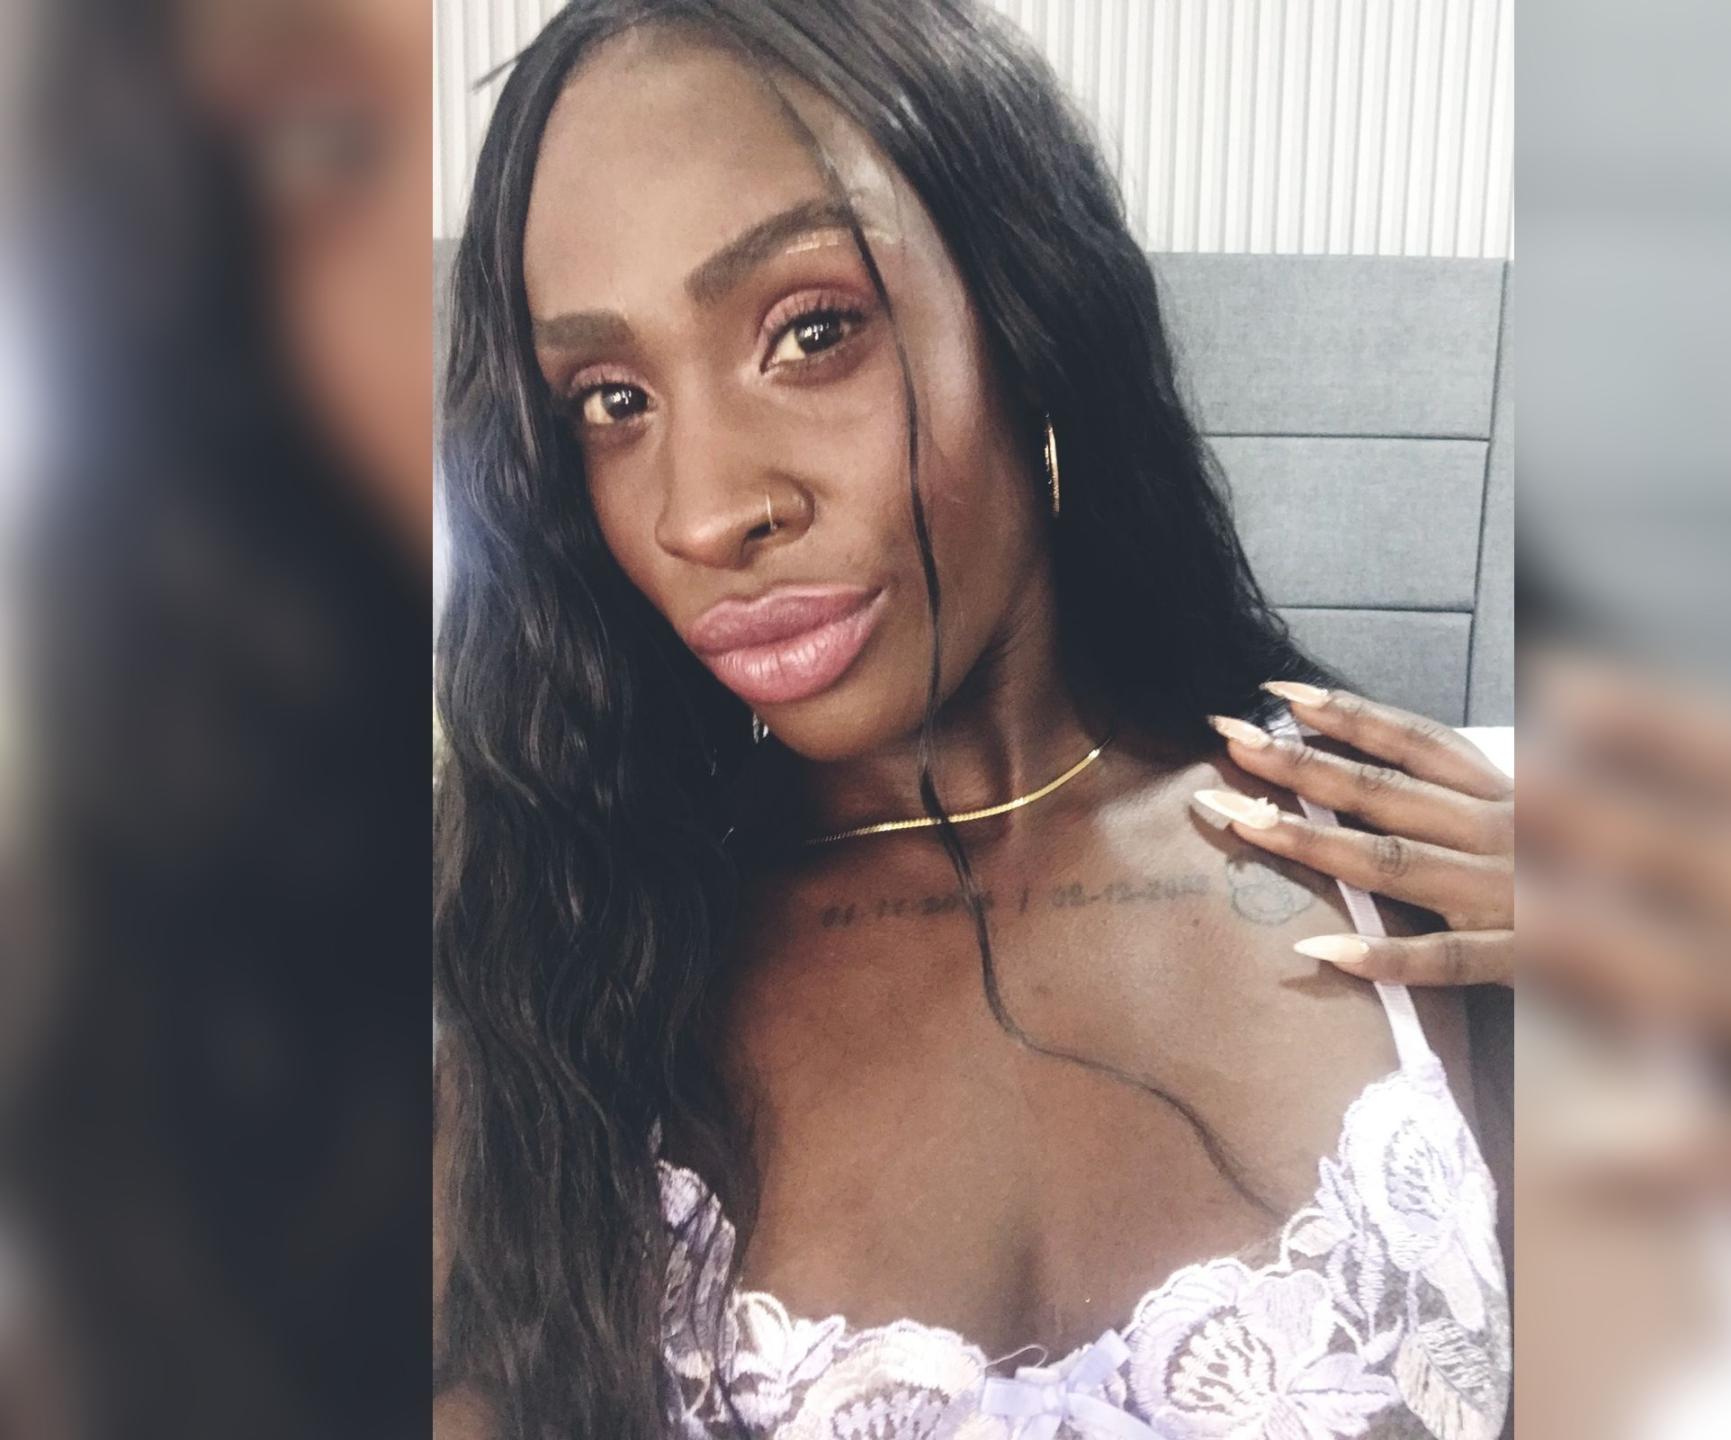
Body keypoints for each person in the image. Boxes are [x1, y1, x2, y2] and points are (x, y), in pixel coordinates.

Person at [432, 3, 1513, 1437]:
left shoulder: (1418, 882)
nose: (703, 512)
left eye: (812, 332)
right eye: (612, 400)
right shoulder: (553, 988)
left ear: (1028, 320)